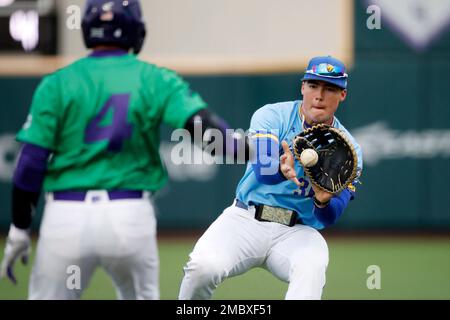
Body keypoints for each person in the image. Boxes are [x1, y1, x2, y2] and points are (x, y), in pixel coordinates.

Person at [0, 0, 247, 300]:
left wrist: (19, 228)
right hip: (128, 215)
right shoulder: (155, 78)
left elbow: (31, 162)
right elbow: (210, 134)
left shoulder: (59, 82)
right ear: (135, 29)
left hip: (66, 215)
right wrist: (252, 149)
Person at [178, 55, 363, 300]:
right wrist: (280, 171)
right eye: (313, 86)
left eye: (330, 88)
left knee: (312, 266)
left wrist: (323, 201)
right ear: (302, 87)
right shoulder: (273, 115)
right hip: (246, 219)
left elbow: (330, 217)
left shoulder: (350, 150)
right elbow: (263, 171)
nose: (319, 95)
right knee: (203, 267)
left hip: (297, 231)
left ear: (342, 95)